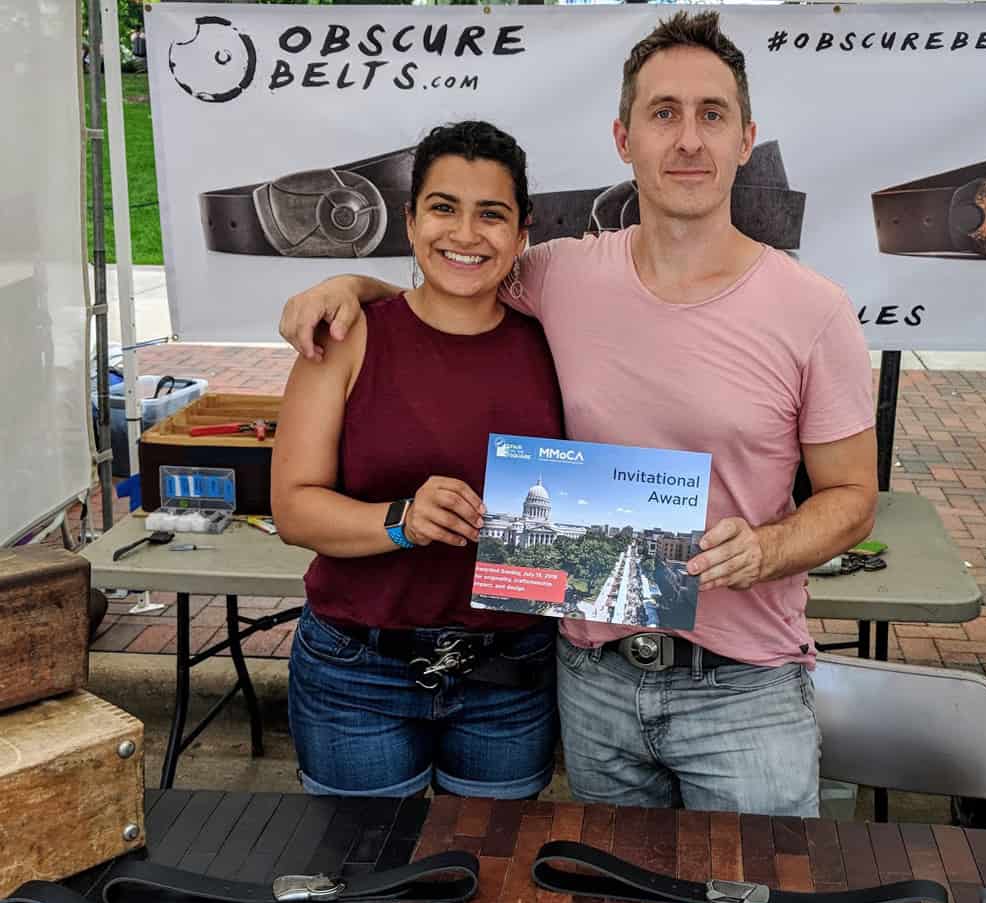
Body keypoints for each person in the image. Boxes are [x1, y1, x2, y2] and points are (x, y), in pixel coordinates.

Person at [277, 12, 878, 817]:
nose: (688, 140)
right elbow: (452, 282)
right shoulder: (562, 276)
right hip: (593, 677)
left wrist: (768, 547)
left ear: (746, 137)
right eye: (664, 113)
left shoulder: (814, 310)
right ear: (623, 137)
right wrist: (350, 288)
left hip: (743, 686)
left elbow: (851, 499)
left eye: (711, 115)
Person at [271, 120, 564, 800]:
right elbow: (293, 507)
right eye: (442, 208)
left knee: (489, 878)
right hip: (358, 668)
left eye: (490, 215)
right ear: (409, 221)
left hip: (510, 671)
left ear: (522, 234)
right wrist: (402, 520)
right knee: (360, 881)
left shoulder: (555, 344)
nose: (465, 234)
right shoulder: (348, 336)